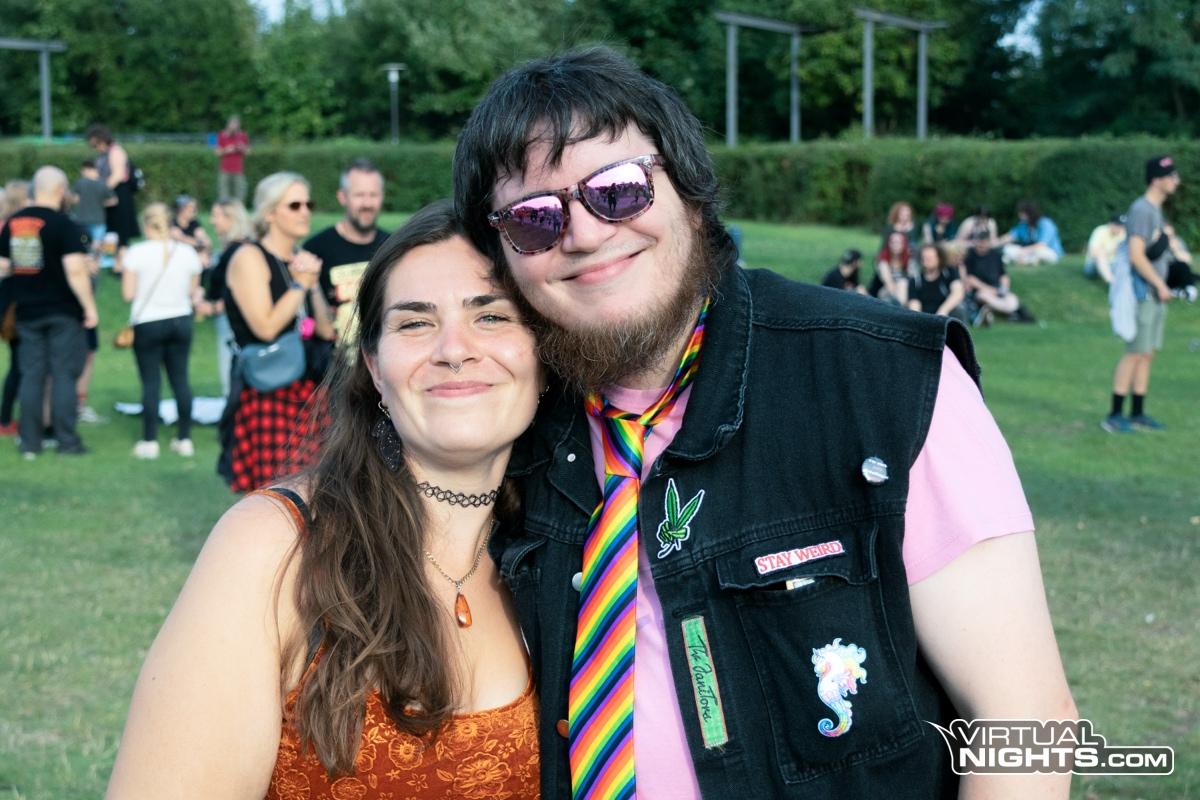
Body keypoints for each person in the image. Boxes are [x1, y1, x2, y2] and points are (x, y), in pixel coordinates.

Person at [455, 47, 1076, 800]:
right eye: (535, 219)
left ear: (689, 190)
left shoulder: (882, 378)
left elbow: (1024, 719)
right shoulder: (504, 424)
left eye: (618, 190)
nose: (583, 234)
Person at [106, 201, 542, 799]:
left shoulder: (576, 546)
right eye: (414, 323)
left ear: (544, 353)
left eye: (490, 316)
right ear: (375, 367)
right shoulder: (276, 547)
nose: (453, 348)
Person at [221, 172, 334, 492]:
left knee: (318, 490)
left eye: (308, 204)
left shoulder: (300, 261)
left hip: (309, 390)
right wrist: (300, 285)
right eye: (294, 205)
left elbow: (325, 330)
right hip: (268, 390)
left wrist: (312, 285)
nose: (305, 212)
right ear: (270, 213)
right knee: (277, 494)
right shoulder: (250, 257)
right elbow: (266, 327)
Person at [0, 166, 97, 458]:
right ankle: (66, 441)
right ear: (60, 190)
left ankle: (30, 441)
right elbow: (75, 271)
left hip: (27, 311)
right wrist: (89, 307)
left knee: (32, 375)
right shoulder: (63, 224)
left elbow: (3, 266)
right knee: (63, 374)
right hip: (62, 311)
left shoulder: (15, 222)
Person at [1102, 155, 1181, 434]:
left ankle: (1137, 413)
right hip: (1143, 294)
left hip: (1155, 294)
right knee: (1134, 353)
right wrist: (1159, 285)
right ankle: (1114, 415)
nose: (1176, 180)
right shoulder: (1142, 210)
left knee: (1147, 354)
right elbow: (1136, 255)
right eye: (1171, 176)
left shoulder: (1155, 209)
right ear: (1156, 179)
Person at [122, 203, 203, 459]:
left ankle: (150, 440)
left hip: (148, 320)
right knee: (180, 379)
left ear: (146, 225)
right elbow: (192, 290)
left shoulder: (137, 252)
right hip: (180, 319)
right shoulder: (187, 252)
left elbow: (128, 293)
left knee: (151, 382)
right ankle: (184, 438)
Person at [304, 159, 390, 345]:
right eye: (359, 195)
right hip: (332, 358)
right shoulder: (316, 249)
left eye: (373, 195)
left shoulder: (393, 247)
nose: (367, 203)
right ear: (342, 197)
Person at [195, 199, 253, 398]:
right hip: (229, 318)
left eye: (216, 216)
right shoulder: (235, 249)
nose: (212, 221)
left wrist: (213, 307)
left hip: (231, 320)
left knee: (231, 371)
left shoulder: (237, 251)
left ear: (231, 218)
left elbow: (238, 289)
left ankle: (233, 409)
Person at [85, 124, 140, 272]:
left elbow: (117, 175)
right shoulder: (103, 155)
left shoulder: (116, 151)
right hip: (109, 196)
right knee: (111, 232)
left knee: (121, 232)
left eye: (96, 144)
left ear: (102, 139)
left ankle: (122, 266)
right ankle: (111, 262)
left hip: (120, 195)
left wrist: (101, 192)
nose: (96, 148)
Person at [963, 230, 1033, 325]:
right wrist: (989, 289)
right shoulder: (970, 256)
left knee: (1012, 299)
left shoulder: (996, 255)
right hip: (980, 291)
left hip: (997, 290)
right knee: (984, 296)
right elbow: (969, 278)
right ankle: (1011, 312)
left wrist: (1004, 288)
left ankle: (994, 310)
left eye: (984, 242)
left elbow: (1003, 275)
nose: (982, 245)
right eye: (980, 242)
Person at [908, 244, 968, 324]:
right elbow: (914, 305)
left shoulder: (949, 272)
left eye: (930, 257)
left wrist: (943, 311)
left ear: (939, 258)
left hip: (946, 314)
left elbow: (958, 293)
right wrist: (919, 321)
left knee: (959, 309)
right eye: (925, 258)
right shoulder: (916, 281)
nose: (927, 260)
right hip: (925, 317)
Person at [69, 160, 115, 259]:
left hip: (81, 219)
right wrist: (101, 203)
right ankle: (96, 261)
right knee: (97, 243)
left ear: (86, 170)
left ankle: (87, 260)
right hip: (98, 219)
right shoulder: (102, 184)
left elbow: (75, 199)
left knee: (84, 243)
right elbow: (113, 200)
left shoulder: (80, 183)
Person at [1001, 201, 1063, 265]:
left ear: (1029, 213)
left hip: (1049, 251)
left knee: (1039, 251)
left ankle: (1021, 260)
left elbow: (1041, 245)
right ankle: (1025, 260)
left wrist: (1023, 251)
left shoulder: (1045, 223)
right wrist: (996, 243)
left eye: (1021, 214)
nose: (1019, 216)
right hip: (1029, 251)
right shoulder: (1023, 225)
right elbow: (1011, 236)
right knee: (1007, 248)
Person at [215, 115, 250, 205]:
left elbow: (248, 152)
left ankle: (238, 208)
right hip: (225, 169)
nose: (234, 126)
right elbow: (217, 152)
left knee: (241, 190)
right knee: (223, 191)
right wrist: (226, 150)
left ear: (239, 125)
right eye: (232, 124)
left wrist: (242, 148)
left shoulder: (243, 135)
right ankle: (224, 208)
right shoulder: (222, 135)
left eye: (236, 124)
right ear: (228, 124)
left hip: (238, 169)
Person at [869, 229, 911, 305]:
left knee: (903, 284)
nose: (895, 245)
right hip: (883, 293)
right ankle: (899, 308)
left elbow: (914, 281)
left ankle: (899, 306)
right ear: (888, 244)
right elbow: (888, 283)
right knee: (902, 283)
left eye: (898, 242)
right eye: (892, 242)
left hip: (903, 294)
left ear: (904, 244)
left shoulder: (909, 260)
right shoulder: (882, 261)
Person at [170, 194, 212, 267]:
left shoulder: (194, 223)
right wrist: (199, 243)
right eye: (190, 208)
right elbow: (182, 239)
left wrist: (199, 244)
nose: (193, 211)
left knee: (204, 256)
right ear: (181, 209)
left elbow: (206, 241)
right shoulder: (173, 224)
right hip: (178, 257)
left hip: (194, 255)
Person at [1084, 214, 1126, 283]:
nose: (1120, 228)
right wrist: (1111, 250)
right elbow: (1093, 251)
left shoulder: (1124, 233)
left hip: (1113, 263)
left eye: (1122, 225)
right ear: (1110, 224)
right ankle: (1111, 282)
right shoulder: (1100, 230)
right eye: (1117, 225)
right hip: (1093, 265)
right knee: (1100, 253)